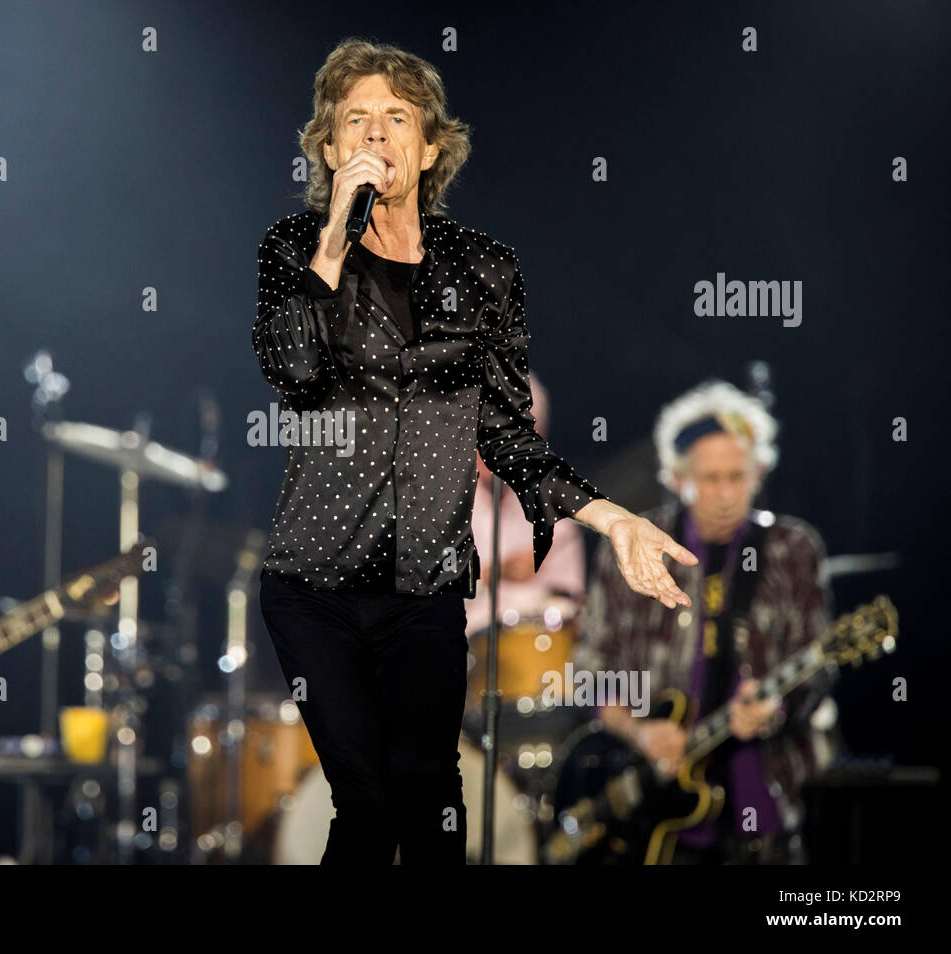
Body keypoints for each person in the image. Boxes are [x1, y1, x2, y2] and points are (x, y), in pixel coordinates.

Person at [251, 38, 697, 865]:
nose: (378, 136)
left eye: (397, 119)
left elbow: (507, 432)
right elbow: (293, 369)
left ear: (430, 148)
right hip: (315, 583)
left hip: (423, 587)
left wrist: (612, 519)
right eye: (357, 121)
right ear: (329, 148)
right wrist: (333, 245)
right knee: (367, 800)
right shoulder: (292, 251)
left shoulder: (485, 269)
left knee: (432, 797)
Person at [577, 380, 835, 864]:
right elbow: (591, 673)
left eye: (737, 477)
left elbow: (818, 666)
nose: (724, 495)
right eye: (709, 479)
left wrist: (773, 706)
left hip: (762, 792)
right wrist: (640, 733)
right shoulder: (633, 548)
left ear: (759, 473)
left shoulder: (793, 549)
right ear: (677, 478)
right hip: (657, 808)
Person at [465, 371, 586, 637]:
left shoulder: (558, 516)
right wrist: (495, 573)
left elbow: (571, 609)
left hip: (534, 661)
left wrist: (551, 599)